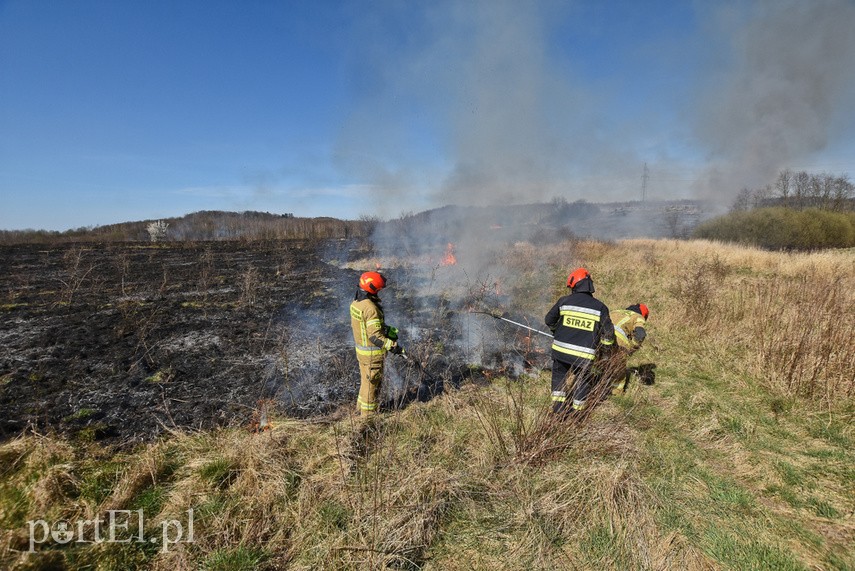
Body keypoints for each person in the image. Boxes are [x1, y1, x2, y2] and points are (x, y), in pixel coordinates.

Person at [545, 268, 616, 415]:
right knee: (582, 380)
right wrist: (605, 352)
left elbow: (549, 320)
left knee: (559, 377)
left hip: (560, 351)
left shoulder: (564, 301)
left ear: (575, 286)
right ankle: (576, 415)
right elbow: (608, 334)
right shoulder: (600, 307)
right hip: (584, 355)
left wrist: (555, 330)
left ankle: (558, 411)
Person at [349, 271, 404, 417]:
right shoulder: (371, 308)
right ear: (373, 289)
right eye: (379, 289)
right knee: (372, 386)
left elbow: (366, 326)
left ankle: (359, 410)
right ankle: (367, 417)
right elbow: (375, 336)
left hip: (362, 352)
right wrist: (393, 346)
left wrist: (386, 329)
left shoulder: (356, 303)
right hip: (372, 355)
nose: (380, 292)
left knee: (365, 382)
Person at [605, 303, 649, 394]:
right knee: (618, 369)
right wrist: (632, 347)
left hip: (601, 336)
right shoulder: (638, 317)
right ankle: (616, 393)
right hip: (618, 341)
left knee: (599, 363)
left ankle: (593, 385)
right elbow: (640, 334)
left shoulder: (615, 311)